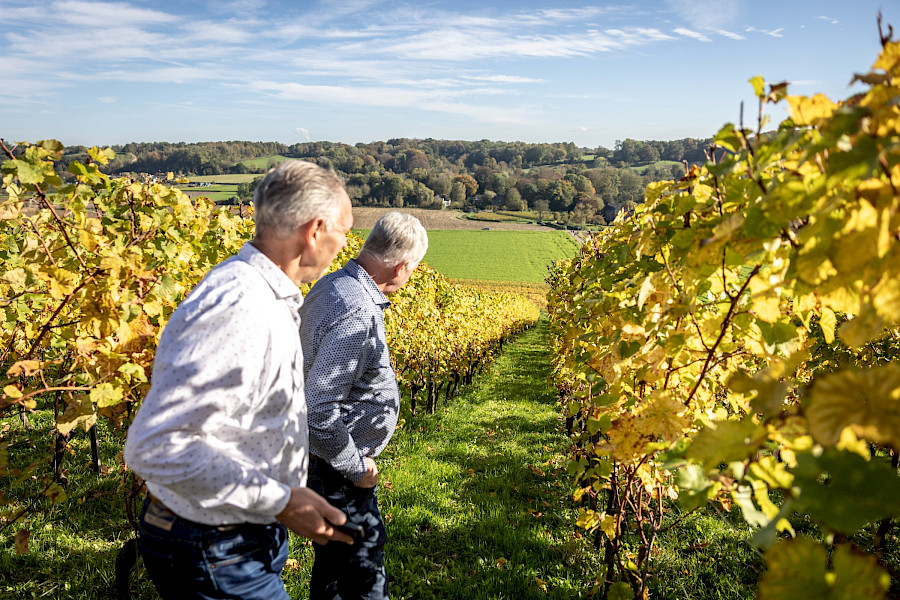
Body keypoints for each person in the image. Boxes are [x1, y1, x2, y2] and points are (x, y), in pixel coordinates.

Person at [123, 160, 356, 600]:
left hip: (232, 539)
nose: (341, 246)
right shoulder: (241, 305)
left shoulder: (264, 295)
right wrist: (283, 501)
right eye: (343, 232)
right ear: (315, 230)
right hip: (212, 544)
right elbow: (156, 445)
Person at [300, 211, 428, 600]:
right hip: (337, 468)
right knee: (363, 576)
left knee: (335, 569)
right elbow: (319, 410)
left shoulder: (333, 286)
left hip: (322, 462)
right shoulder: (356, 309)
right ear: (403, 266)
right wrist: (358, 471)